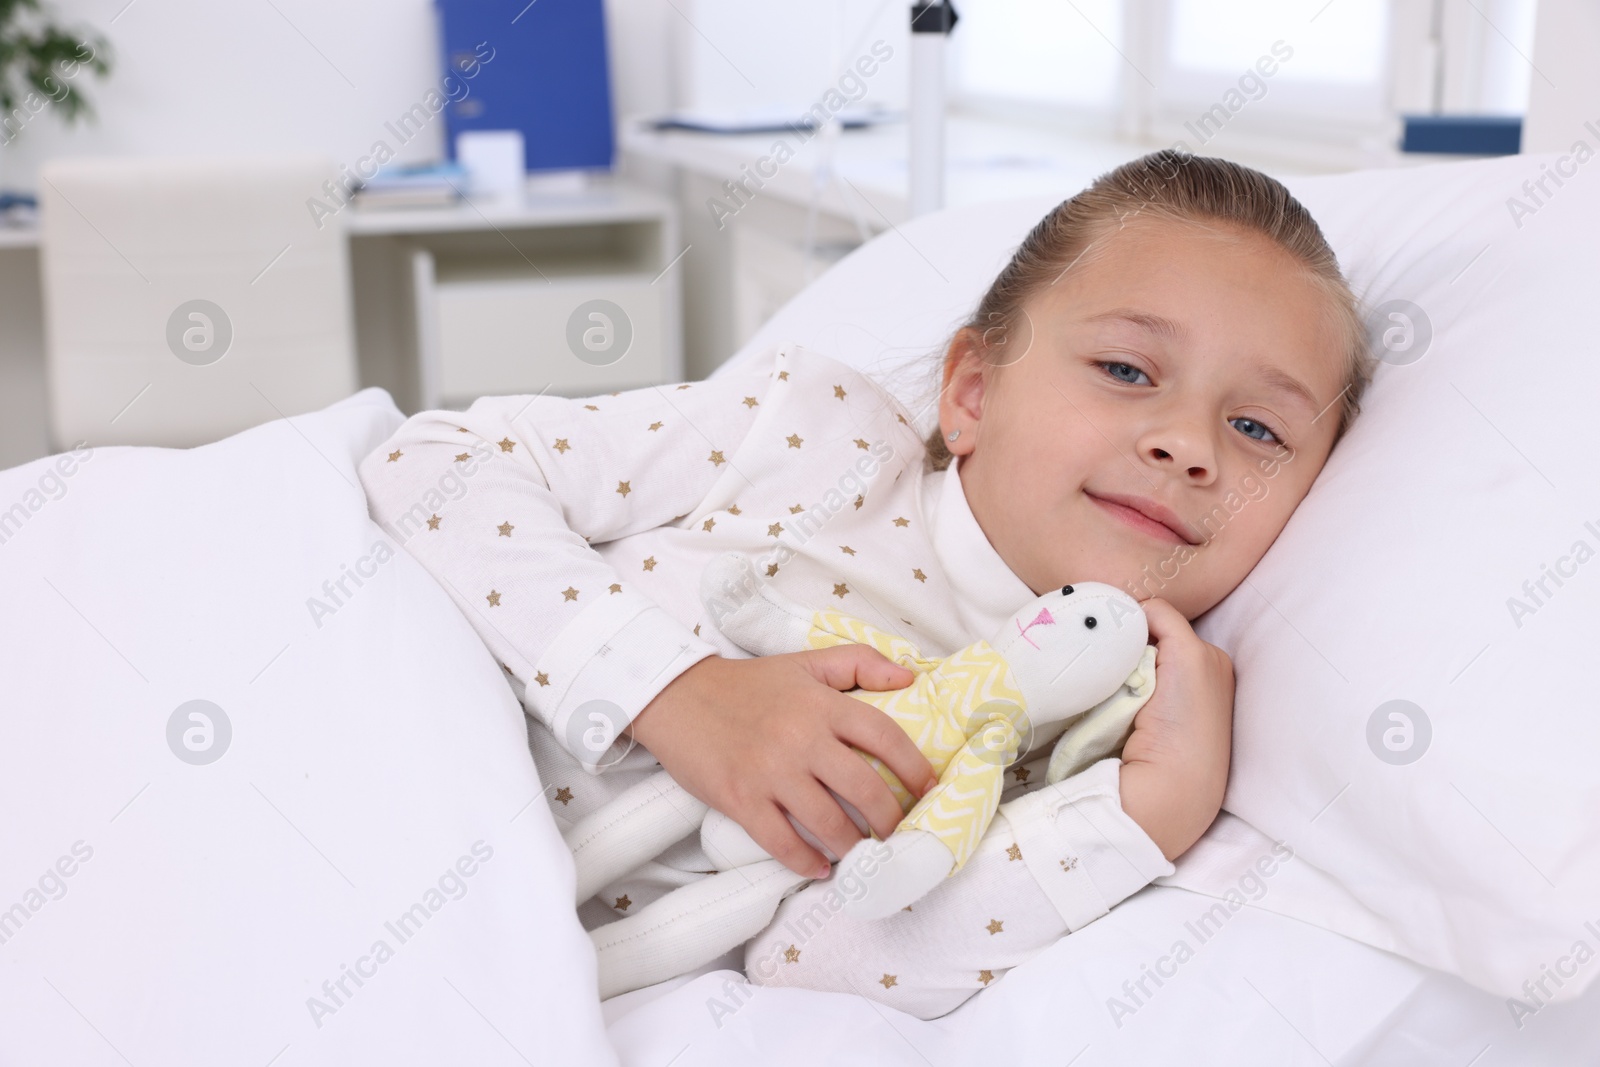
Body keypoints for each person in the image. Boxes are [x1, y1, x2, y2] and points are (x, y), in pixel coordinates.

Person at [355, 148, 1372, 1007]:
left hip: (456, 963)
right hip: (371, 749)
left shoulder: (1082, 738)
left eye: (1255, 429)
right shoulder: (814, 435)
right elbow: (431, 463)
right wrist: (682, 695)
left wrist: (1143, 816)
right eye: (1125, 369)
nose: (1188, 444)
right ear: (971, 391)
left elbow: (814, 963)